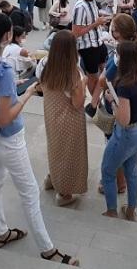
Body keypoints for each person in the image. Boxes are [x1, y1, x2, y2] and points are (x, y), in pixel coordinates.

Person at [0, 14, 79, 265]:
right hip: (8, 137)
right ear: (6, 36)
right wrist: (27, 92)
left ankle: (0, 232)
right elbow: (5, 118)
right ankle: (47, 248)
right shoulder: (3, 71)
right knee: (29, 192)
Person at [38, 30, 89, 207]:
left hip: (52, 114)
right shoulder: (72, 73)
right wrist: (84, 83)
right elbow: (78, 103)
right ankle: (64, 193)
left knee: (55, 149)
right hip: (69, 120)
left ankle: (52, 178)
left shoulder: (46, 65)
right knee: (69, 155)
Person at [100, 40, 137, 221]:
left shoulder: (124, 85)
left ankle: (111, 210)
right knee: (132, 169)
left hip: (126, 134)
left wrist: (111, 100)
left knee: (107, 170)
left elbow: (123, 119)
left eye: (118, 54)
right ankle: (131, 210)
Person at [72, 0, 111, 96]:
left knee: (106, 71)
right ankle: (96, 102)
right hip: (87, 46)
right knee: (93, 76)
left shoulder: (92, 0)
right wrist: (96, 24)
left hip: (98, 41)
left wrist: (101, 19)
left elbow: (92, 19)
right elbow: (75, 32)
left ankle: (101, 97)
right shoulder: (80, 6)